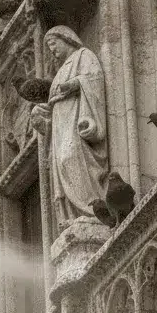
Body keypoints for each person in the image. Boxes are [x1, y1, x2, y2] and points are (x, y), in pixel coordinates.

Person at [36, 25, 108, 228]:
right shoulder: (60, 71)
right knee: (62, 164)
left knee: (71, 157)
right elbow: (53, 103)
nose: (53, 51)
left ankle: (91, 210)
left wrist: (74, 84)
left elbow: (94, 79)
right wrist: (41, 115)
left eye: (54, 44)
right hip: (60, 126)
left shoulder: (84, 56)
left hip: (76, 120)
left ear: (66, 39)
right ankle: (71, 216)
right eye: (50, 48)